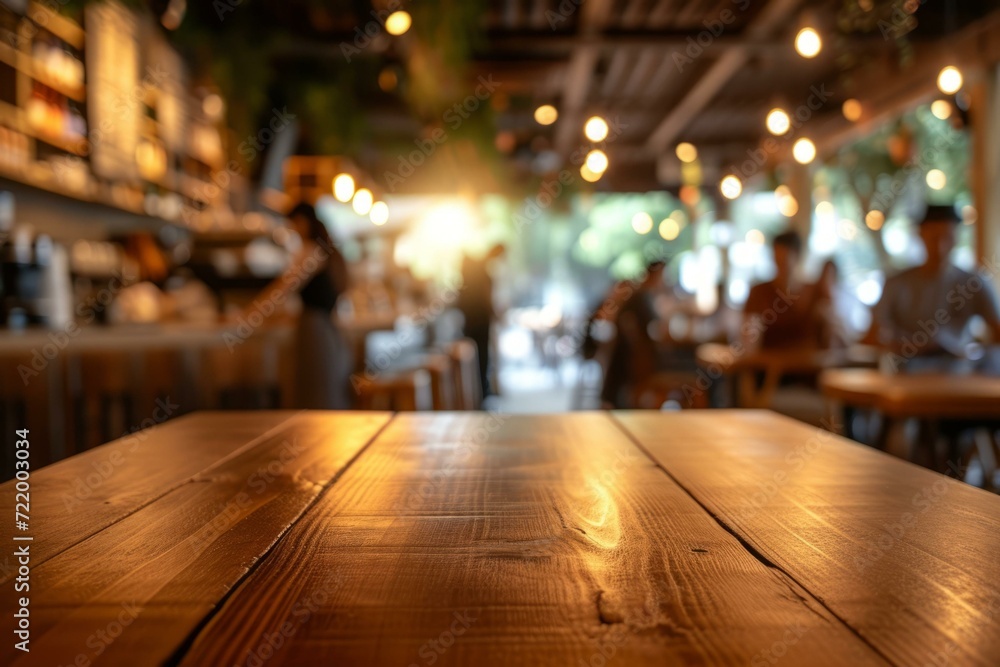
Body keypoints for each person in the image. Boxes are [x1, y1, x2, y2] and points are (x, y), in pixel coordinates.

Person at [241, 202, 352, 408]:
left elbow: (281, 290)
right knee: (323, 393)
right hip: (326, 331)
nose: (291, 230)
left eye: (291, 224)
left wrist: (246, 316)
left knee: (316, 396)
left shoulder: (311, 251)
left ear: (301, 222)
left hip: (315, 333)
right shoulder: (325, 250)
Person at [865, 204, 1000, 373]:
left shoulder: (975, 282)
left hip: (960, 374)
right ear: (920, 235)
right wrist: (903, 344)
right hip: (905, 375)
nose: (940, 246)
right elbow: (872, 335)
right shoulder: (896, 283)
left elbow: (997, 332)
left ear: (957, 238)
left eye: (947, 237)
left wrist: (977, 355)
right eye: (934, 238)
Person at [743, 230, 823, 350]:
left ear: (797, 256)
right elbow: (748, 337)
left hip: (807, 365)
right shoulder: (759, 292)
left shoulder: (814, 292)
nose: (780, 263)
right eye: (777, 257)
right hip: (769, 365)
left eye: (784, 257)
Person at [602, 260, 665, 407]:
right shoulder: (641, 297)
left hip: (627, 362)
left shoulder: (640, 295)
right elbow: (655, 328)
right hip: (638, 361)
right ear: (654, 275)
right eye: (662, 276)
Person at [456, 244, 505, 403]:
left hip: (472, 321)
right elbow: (486, 297)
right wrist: (495, 313)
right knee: (481, 356)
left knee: (478, 356)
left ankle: (480, 391)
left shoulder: (477, 267)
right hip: (479, 321)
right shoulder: (481, 269)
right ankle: (481, 392)